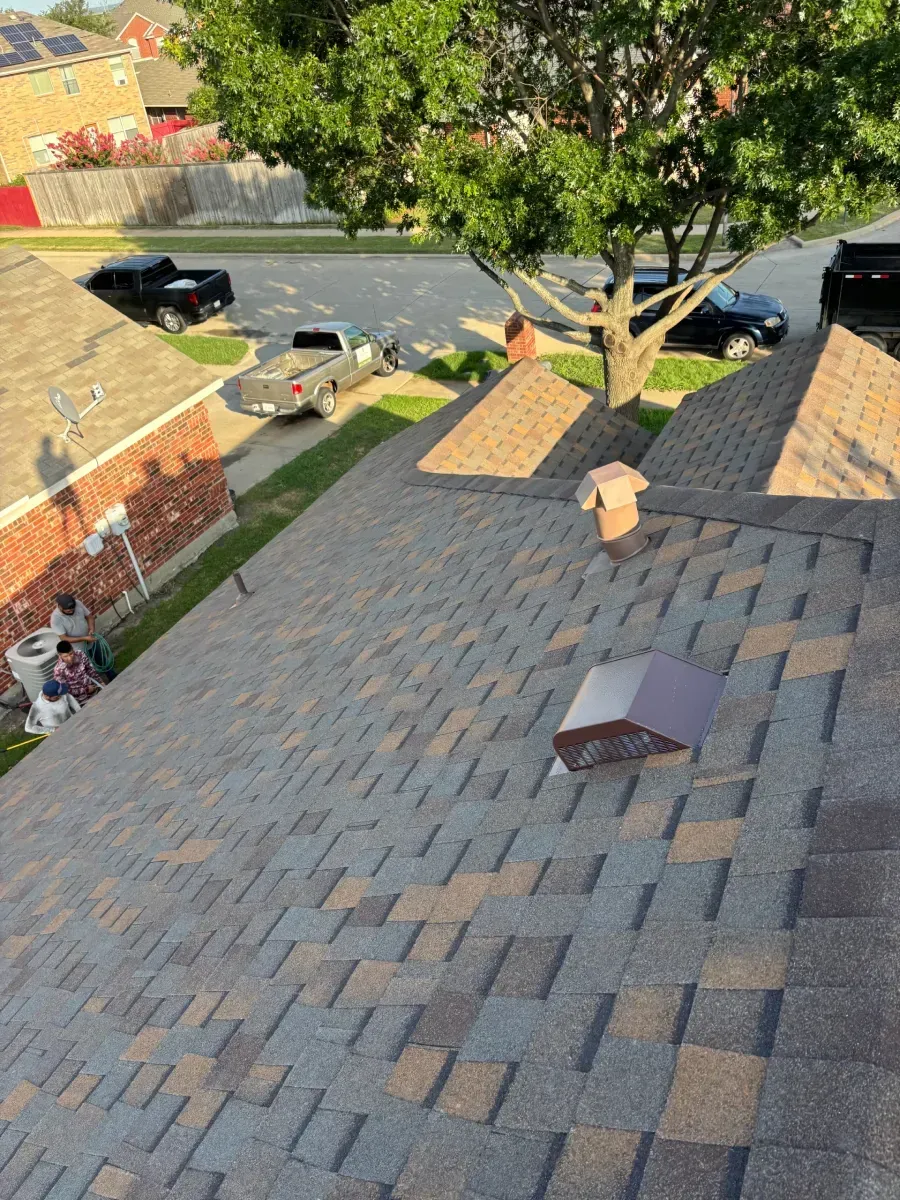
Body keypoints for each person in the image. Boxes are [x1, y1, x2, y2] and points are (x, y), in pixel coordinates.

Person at [50, 593, 116, 680]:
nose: (71, 611)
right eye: (68, 610)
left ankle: (113, 677)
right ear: (60, 607)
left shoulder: (78, 603)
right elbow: (64, 638)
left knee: (102, 660)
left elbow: (89, 617)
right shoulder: (55, 618)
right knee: (86, 668)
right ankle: (96, 686)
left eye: (73, 608)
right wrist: (84, 638)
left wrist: (91, 629)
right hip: (77, 649)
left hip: (90, 640)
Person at [54, 640, 103, 705]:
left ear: (73, 649)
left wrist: (100, 682)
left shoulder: (80, 654)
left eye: (71, 654)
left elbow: (90, 670)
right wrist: (86, 690)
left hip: (95, 689)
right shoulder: (58, 670)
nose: (69, 658)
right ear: (59, 655)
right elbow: (65, 690)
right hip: (81, 701)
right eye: (65, 656)